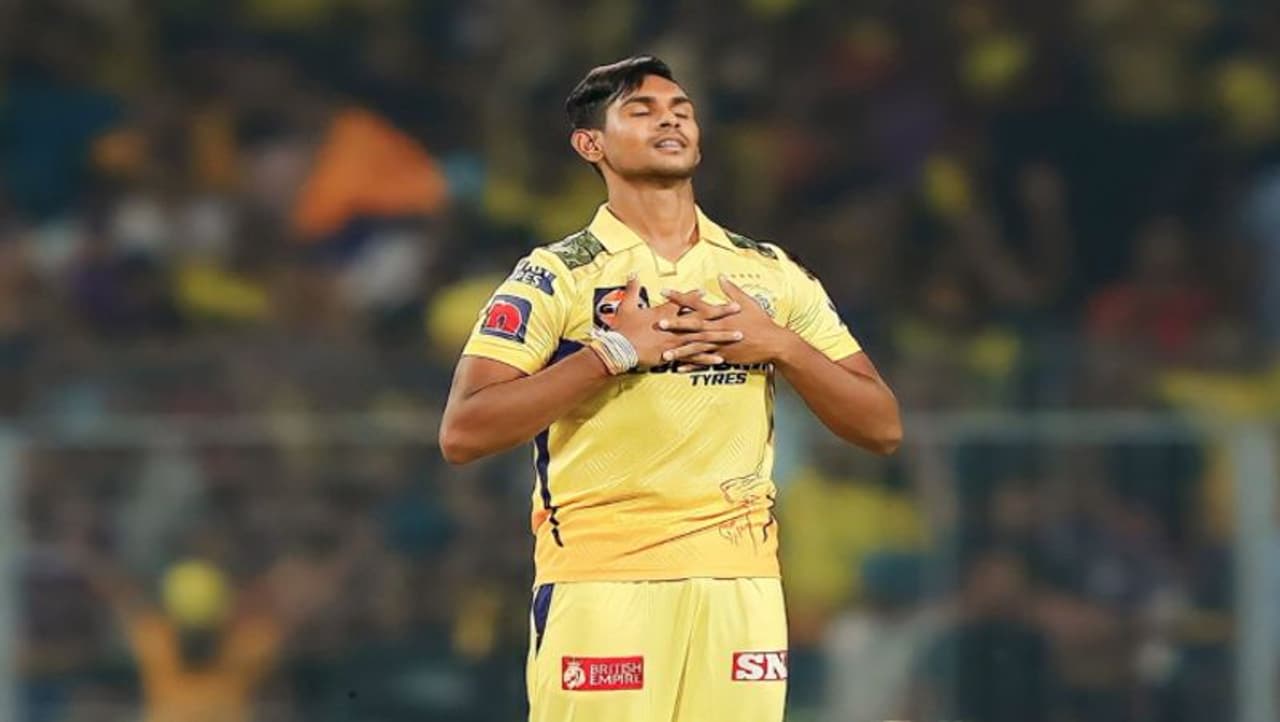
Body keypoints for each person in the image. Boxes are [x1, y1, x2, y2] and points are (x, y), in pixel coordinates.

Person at [439, 55, 902, 722]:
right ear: (590, 145)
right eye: (642, 111)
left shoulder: (768, 275)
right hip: (606, 582)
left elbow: (882, 426)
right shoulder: (556, 277)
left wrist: (783, 347)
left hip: (741, 586)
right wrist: (612, 353)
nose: (670, 121)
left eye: (681, 110)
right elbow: (463, 432)